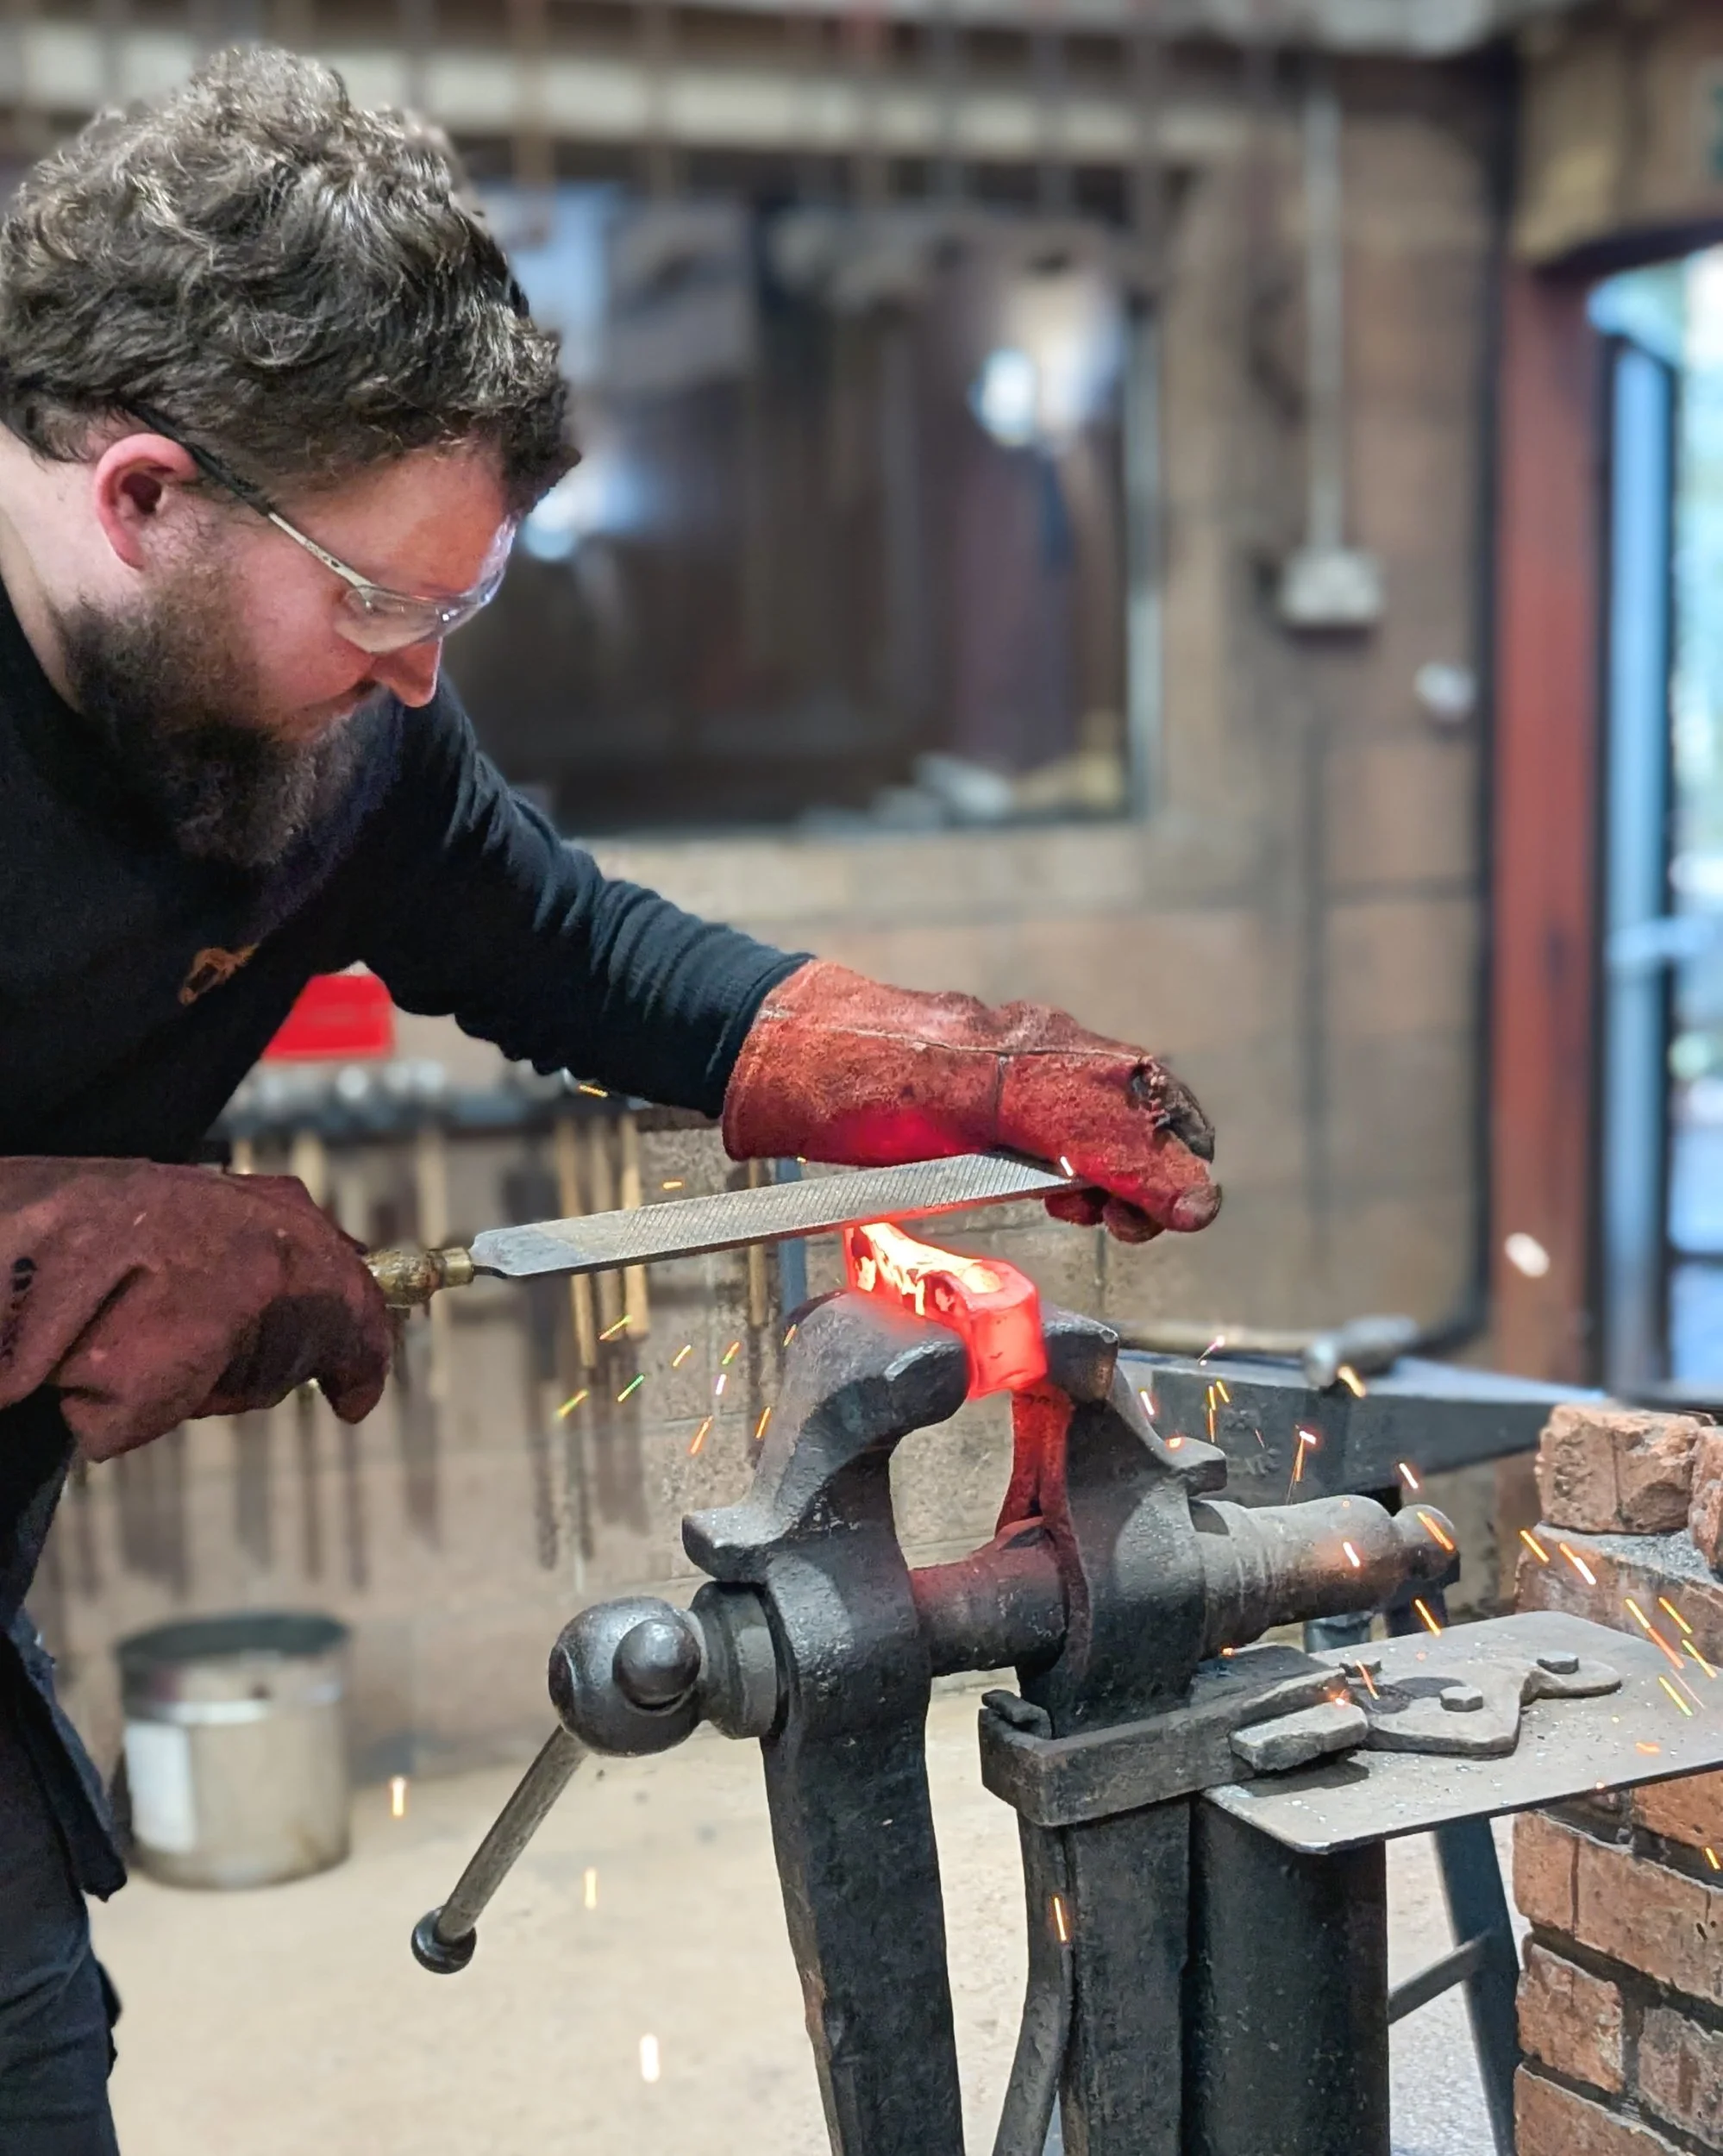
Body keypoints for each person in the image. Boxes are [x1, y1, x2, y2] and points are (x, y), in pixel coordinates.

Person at [0, 47, 1220, 2153]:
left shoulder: (336, 735)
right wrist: (52, 1237)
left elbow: (572, 946)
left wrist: (941, 1066)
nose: (416, 672)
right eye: (379, 599)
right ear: (143, 498)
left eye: (457, 606)